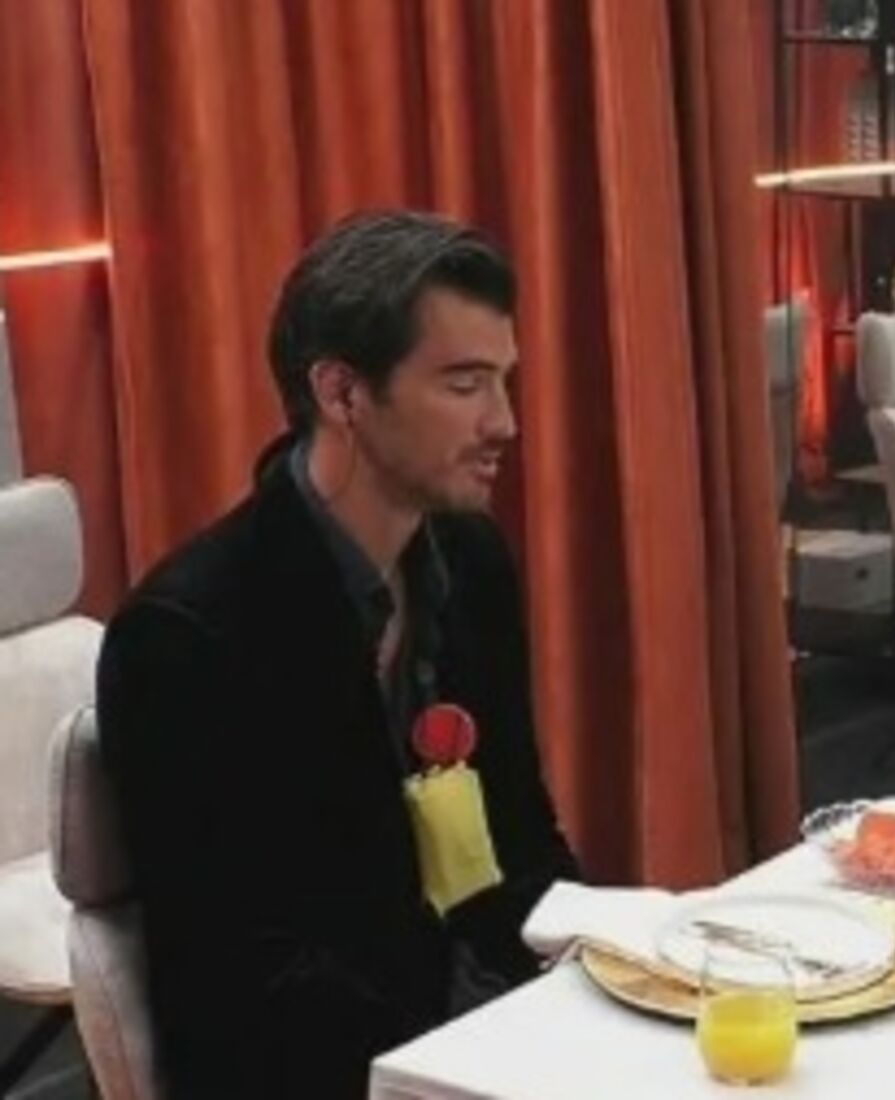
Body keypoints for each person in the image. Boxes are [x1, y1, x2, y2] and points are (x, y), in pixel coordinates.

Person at [98, 211, 580, 1099]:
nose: (505, 422)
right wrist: (473, 1061)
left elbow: (521, 831)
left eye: (504, 382)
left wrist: (599, 986)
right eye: (465, 385)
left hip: (484, 1028)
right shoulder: (189, 633)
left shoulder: (469, 560)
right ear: (342, 393)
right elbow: (239, 977)